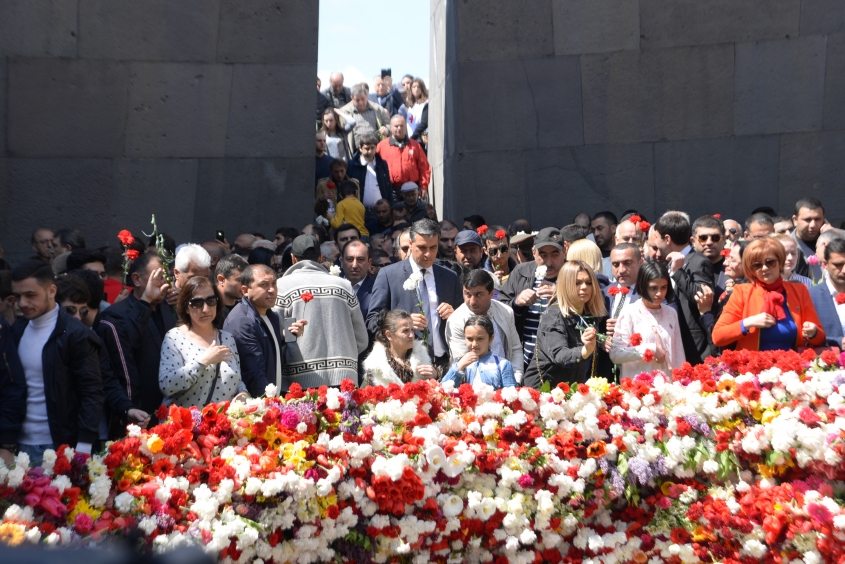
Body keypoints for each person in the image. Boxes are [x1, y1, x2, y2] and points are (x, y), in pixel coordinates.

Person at [4, 260, 103, 465]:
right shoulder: (16, 330)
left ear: (51, 290)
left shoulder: (76, 335)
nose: (22, 303)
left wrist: (83, 447)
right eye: (18, 296)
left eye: (31, 295)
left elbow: (91, 391)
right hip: (15, 446)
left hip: (56, 448)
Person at [274, 235, 369, 388]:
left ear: (293, 258)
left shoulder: (281, 287)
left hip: (300, 382)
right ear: (320, 257)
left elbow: (276, 336)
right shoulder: (344, 286)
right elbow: (361, 339)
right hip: (345, 380)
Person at [367, 219, 462, 369]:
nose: (428, 254)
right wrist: (402, 322)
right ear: (410, 244)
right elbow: (372, 321)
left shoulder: (450, 277)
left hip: (445, 363)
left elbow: (466, 320)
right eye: (422, 247)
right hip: (405, 365)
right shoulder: (389, 275)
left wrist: (455, 315)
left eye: (433, 247)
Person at [97, 253, 175, 429]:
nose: (164, 283)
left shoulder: (169, 307)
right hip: (138, 410)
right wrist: (146, 300)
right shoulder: (115, 314)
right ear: (137, 279)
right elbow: (131, 342)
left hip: (169, 408)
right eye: (158, 277)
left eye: (166, 277)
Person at [713, 238, 825, 351]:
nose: (765, 268)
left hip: (792, 364)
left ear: (780, 262)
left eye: (770, 262)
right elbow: (718, 337)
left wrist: (813, 332)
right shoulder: (741, 292)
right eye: (757, 265)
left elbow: (819, 338)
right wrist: (748, 322)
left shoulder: (799, 290)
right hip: (752, 366)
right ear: (751, 270)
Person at [159, 276, 245, 407]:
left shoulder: (227, 338)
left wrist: (243, 393)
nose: (205, 309)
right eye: (197, 303)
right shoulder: (174, 338)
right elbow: (166, 385)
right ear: (186, 308)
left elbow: (236, 378)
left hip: (223, 424)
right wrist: (202, 362)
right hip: (188, 425)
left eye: (211, 300)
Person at [498, 227, 566, 389]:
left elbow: (590, 308)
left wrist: (562, 295)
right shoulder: (521, 272)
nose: (549, 262)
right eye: (543, 255)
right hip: (528, 358)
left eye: (555, 254)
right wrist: (517, 303)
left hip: (562, 361)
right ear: (534, 252)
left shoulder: (574, 274)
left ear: (565, 252)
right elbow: (500, 307)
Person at [224, 265, 300, 396]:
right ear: (245, 290)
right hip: (257, 406)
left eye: (274, 283)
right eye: (264, 284)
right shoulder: (242, 321)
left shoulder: (272, 316)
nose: (271, 289)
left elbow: (266, 349)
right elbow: (254, 372)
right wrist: (270, 405)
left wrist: (288, 335)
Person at [649, 212, 714, 364]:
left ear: (667, 239)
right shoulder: (666, 262)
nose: (655, 243)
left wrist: (678, 272)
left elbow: (701, 296)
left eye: (657, 237)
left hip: (692, 346)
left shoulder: (699, 261)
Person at [534, 261, 612, 386]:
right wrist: (586, 350)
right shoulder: (554, 314)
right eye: (577, 283)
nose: (584, 287)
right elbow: (559, 355)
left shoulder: (591, 315)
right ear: (565, 285)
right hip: (547, 391)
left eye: (588, 282)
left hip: (577, 389)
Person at [610, 261, 686, 379]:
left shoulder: (671, 313)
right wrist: (650, 349)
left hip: (668, 389)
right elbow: (616, 354)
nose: (659, 293)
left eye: (663, 287)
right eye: (653, 288)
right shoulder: (629, 313)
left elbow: (678, 353)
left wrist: (682, 381)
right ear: (642, 286)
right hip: (639, 389)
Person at [446, 270, 523, 384]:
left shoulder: (506, 312)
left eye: (478, 294)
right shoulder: (456, 321)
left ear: (491, 293)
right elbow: (463, 362)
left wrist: (515, 380)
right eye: (467, 294)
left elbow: (515, 349)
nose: (472, 301)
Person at [362, 309, 435, 386]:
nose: (412, 335)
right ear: (389, 335)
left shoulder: (422, 359)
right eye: (405, 331)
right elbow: (366, 395)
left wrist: (435, 376)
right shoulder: (375, 366)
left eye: (412, 330)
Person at [443, 315, 516, 389]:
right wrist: (459, 366)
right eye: (470, 339)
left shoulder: (502, 364)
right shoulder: (459, 363)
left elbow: (511, 396)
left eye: (480, 339)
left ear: (491, 339)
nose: (474, 344)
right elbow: (444, 389)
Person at [346, 133, 394, 234]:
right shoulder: (352, 165)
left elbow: (388, 186)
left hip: (380, 211)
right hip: (360, 211)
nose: (370, 151)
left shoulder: (382, 164)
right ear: (360, 148)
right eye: (367, 148)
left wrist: (391, 206)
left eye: (372, 148)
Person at [376, 115, 431, 199]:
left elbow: (424, 167)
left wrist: (424, 186)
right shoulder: (381, 146)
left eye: (401, 126)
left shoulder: (415, 145)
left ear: (405, 127)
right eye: (396, 126)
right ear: (391, 128)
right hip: (390, 190)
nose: (399, 128)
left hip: (412, 190)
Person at [809, 237, 845, 350]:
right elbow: (806, 337)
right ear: (825, 265)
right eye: (838, 264)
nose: (844, 270)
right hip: (829, 363)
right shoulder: (812, 297)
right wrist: (839, 342)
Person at [339, 84, 390, 152]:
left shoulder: (377, 109)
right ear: (351, 98)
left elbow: (390, 125)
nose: (360, 103)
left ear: (367, 96)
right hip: (355, 152)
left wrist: (386, 130)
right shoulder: (344, 112)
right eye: (357, 100)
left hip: (376, 150)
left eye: (363, 99)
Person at [606, 243, 643, 321]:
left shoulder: (651, 292)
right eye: (616, 264)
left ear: (640, 263)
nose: (621, 270)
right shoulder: (604, 294)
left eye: (627, 263)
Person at [792, 197, 826, 280]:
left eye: (817, 219)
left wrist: (834, 234)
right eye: (807, 220)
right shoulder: (785, 247)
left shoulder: (832, 242)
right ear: (795, 220)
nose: (813, 225)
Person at [691, 215, 727, 288]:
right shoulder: (684, 268)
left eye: (715, 237)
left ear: (724, 239)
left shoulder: (735, 269)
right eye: (703, 238)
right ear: (693, 241)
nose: (709, 242)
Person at [215, 254, 249, 324]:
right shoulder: (210, 310)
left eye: (247, 280)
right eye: (240, 280)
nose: (245, 285)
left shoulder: (245, 309)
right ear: (221, 280)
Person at [590, 211, 618, 276]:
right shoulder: (593, 256)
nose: (596, 234)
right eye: (593, 230)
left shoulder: (623, 252)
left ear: (613, 228)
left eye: (600, 228)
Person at [406, 78, 429, 142]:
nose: (416, 89)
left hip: (421, 139)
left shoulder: (425, 104)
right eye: (414, 87)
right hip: (411, 138)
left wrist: (414, 137)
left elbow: (424, 123)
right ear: (411, 89)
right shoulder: (410, 105)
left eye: (418, 87)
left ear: (422, 88)